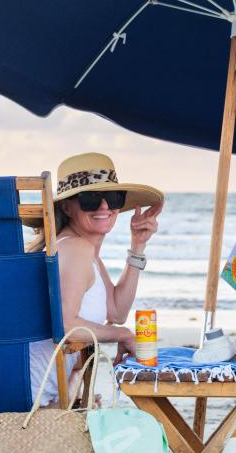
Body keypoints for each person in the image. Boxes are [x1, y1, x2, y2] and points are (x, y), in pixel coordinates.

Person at [26, 152, 164, 405]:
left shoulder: (82, 249)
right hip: (34, 400)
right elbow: (67, 325)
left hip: (43, 392)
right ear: (67, 207)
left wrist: (138, 246)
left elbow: (117, 311)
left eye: (112, 197)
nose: (103, 207)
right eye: (90, 199)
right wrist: (122, 335)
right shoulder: (76, 249)